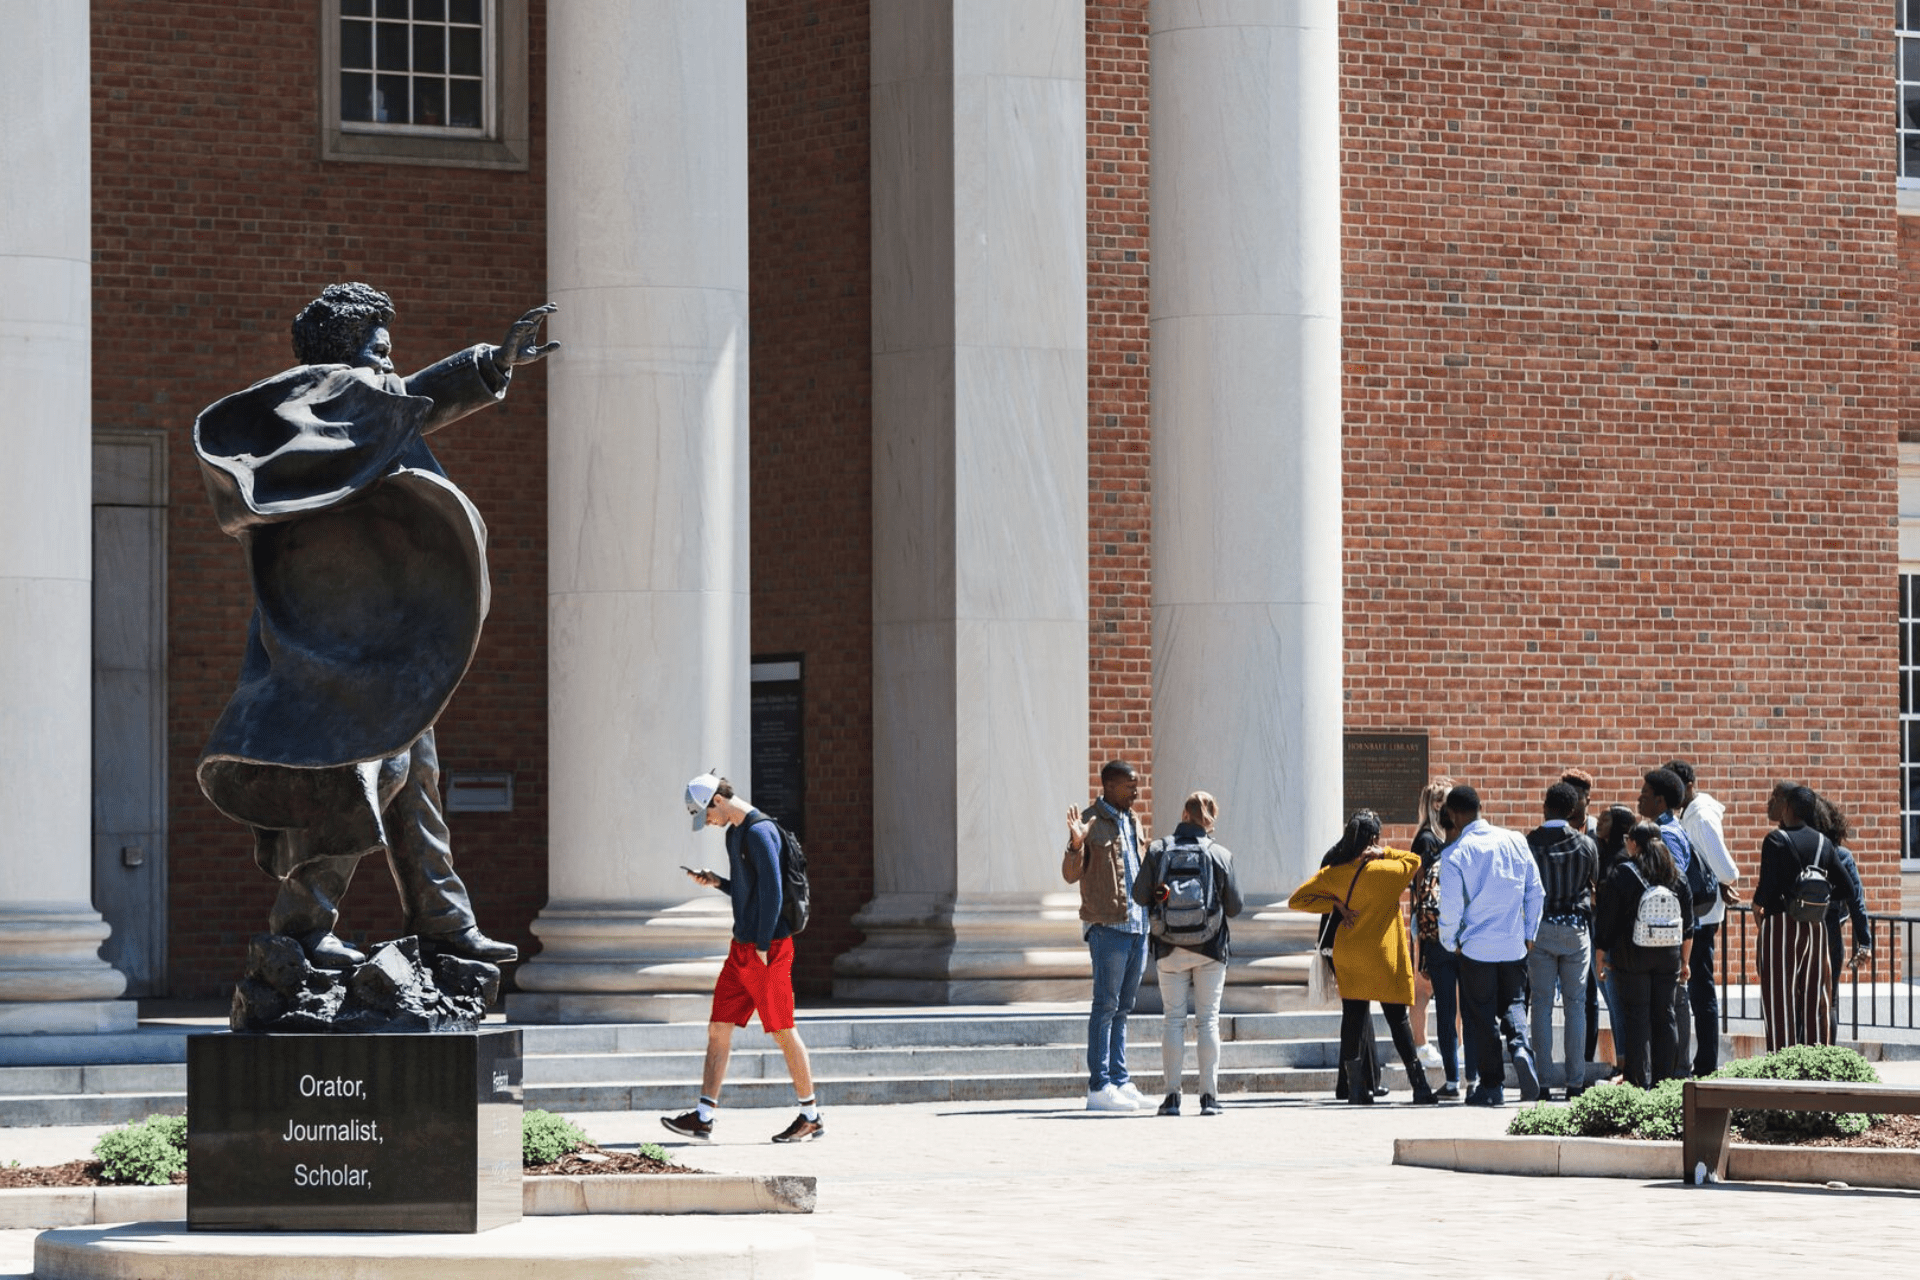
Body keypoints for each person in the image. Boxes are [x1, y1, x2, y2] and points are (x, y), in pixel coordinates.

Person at [192, 283, 555, 970]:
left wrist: (486, 366)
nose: (390, 370)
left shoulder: (349, 425)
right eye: (379, 354)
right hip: (335, 652)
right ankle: (299, 929)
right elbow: (380, 412)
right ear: (338, 364)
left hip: (384, 651)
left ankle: (443, 923)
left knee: (415, 779)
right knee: (371, 775)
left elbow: (398, 404)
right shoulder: (305, 426)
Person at [661, 773, 823, 1144]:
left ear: (718, 800)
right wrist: (719, 883)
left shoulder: (759, 832)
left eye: (706, 814)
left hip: (768, 950)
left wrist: (764, 944)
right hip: (742, 950)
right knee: (719, 1027)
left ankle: (810, 1116)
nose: (707, 822)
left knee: (783, 1030)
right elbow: (749, 891)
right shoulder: (736, 834)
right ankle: (703, 1117)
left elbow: (773, 892)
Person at [1289, 811, 1437, 1105]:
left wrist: (1335, 903)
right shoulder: (1387, 871)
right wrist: (1385, 852)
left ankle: (1356, 1089)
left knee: (1354, 1019)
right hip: (1383, 957)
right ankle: (1419, 1086)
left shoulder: (1336, 873)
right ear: (1373, 840)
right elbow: (1415, 861)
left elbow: (1298, 899)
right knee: (1397, 1021)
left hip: (1351, 957)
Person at [1132, 791, 1244, 1117]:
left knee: (1174, 1020)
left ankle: (1171, 1098)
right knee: (1208, 1021)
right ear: (1211, 821)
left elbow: (1140, 896)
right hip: (1210, 949)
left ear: (1183, 814)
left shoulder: (1157, 850)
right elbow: (1235, 907)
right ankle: (1209, 1098)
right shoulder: (1220, 854)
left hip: (1169, 948)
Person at [1436, 785, 1543, 1106]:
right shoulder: (1515, 840)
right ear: (1481, 807)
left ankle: (1492, 1087)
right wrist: (1529, 934)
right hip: (1513, 945)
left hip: (1476, 949)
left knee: (1481, 1017)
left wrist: (1449, 941)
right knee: (1513, 1002)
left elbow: (1450, 908)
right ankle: (1522, 1046)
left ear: (1453, 814)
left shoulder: (1454, 855)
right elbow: (1536, 891)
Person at [1064, 761, 1150, 1112]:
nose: (1136, 791)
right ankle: (1098, 1086)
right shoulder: (1089, 822)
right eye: (1130, 785)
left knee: (1124, 1009)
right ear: (1110, 786)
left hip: (1138, 926)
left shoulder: (1133, 820)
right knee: (1105, 1006)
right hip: (1108, 928)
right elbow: (1070, 875)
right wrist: (1076, 845)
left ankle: (1119, 1078)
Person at [1593, 820, 1695, 1088]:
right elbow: (1688, 927)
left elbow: (1608, 921)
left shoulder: (1624, 874)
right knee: (1665, 1015)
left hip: (1632, 955)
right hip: (1669, 956)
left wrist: (1601, 955)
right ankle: (1666, 1082)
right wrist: (1685, 962)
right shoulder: (1677, 876)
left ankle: (1639, 1082)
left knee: (1637, 1017)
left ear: (1634, 844)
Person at [1665, 760, 1741, 1076]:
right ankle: (1703, 1060)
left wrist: (1725, 881)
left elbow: (1727, 868)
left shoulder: (1701, 817)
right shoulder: (1692, 815)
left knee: (1701, 989)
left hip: (1702, 915)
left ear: (1689, 784)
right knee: (1697, 987)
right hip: (1700, 911)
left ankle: (1707, 1063)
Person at [1525, 782, 1599, 1098]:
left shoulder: (1528, 843)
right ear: (1572, 811)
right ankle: (1575, 1082)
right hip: (1575, 929)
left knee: (1539, 1005)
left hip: (1540, 928)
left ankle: (1542, 1082)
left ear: (1545, 806)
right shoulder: (1586, 845)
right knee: (1576, 1006)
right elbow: (1594, 885)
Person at [1753, 785, 1839, 1052]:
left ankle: (1783, 1068)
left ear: (1788, 807)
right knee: (1816, 1000)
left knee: (1780, 1002)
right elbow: (1844, 886)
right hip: (1816, 926)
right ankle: (1816, 1067)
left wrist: (1759, 906)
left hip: (1780, 925)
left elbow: (1765, 891)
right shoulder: (1823, 842)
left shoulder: (1776, 840)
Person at [1410, 778, 1467, 1098]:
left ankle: (1449, 1051)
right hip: (1431, 924)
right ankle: (1422, 1044)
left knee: (1440, 993)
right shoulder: (1429, 840)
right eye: (1446, 801)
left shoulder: (1432, 838)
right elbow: (1422, 887)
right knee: (1423, 987)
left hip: (1435, 924)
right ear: (1436, 805)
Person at [1638, 767, 1697, 1076]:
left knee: (1674, 1001)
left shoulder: (1667, 835)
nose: (1639, 800)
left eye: (1645, 796)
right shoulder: (1665, 829)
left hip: (1667, 932)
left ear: (1660, 802)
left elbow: (1675, 882)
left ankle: (1677, 1071)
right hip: (1665, 932)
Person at [1809, 793, 1872, 1040]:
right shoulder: (1842, 855)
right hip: (1832, 928)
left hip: (1801, 928)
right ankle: (1826, 1055)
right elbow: (1856, 901)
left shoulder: (1802, 852)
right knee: (1829, 998)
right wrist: (1864, 941)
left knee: (1802, 996)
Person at [1588, 804, 1638, 1071]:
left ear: (1618, 825)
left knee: (1618, 1006)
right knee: (1612, 1004)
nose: (1599, 821)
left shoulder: (1620, 859)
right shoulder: (1601, 852)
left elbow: (1614, 903)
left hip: (1612, 942)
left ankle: (1624, 1064)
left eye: (1606, 818)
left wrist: (1598, 896)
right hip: (1602, 935)